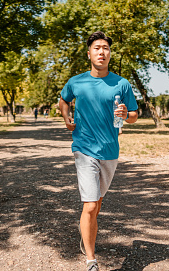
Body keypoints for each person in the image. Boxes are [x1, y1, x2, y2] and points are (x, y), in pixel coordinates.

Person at [59, 31, 138, 271]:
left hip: (110, 151)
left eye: (105, 48)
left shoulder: (121, 83)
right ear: (89, 53)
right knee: (91, 205)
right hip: (83, 148)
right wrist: (66, 117)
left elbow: (134, 116)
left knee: (97, 203)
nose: (101, 52)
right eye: (97, 48)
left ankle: (87, 232)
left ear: (109, 54)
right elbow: (63, 101)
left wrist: (126, 115)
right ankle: (91, 260)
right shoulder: (76, 81)